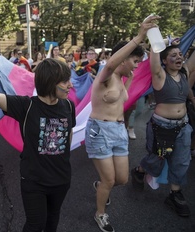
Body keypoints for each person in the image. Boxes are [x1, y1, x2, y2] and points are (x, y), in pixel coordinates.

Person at [0, 40, 76, 232]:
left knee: (52, 222)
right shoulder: (26, 106)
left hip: (61, 179)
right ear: (51, 83)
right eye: (65, 81)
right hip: (34, 181)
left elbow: (68, 137)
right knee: (35, 224)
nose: (70, 85)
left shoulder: (69, 106)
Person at [85, 17, 150, 232]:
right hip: (99, 131)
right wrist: (139, 36)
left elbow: (122, 99)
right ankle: (100, 213)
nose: (138, 64)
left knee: (121, 179)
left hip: (118, 131)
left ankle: (101, 185)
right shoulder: (105, 74)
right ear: (122, 59)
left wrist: (129, 79)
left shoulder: (122, 79)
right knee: (110, 179)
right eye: (135, 60)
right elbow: (112, 62)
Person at [131, 36, 195, 217]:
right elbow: (154, 57)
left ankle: (174, 194)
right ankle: (139, 171)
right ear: (165, 61)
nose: (178, 57)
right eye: (173, 55)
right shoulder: (159, 75)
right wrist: (163, 43)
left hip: (183, 127)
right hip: (161, 128)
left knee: (181, 161)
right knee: (156, 159)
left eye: (180, 54)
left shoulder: (185, 73)